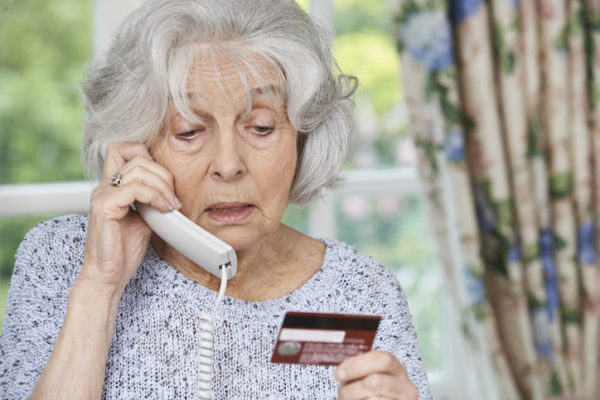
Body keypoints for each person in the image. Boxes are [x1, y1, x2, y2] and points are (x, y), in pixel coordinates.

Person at [0, 0, 431, 398]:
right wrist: (100, 285)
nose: (228, 165)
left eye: (261, 127)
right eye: (188, 132)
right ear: (136, 148)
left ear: (303, 139)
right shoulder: (62, 260)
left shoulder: (361, 290)